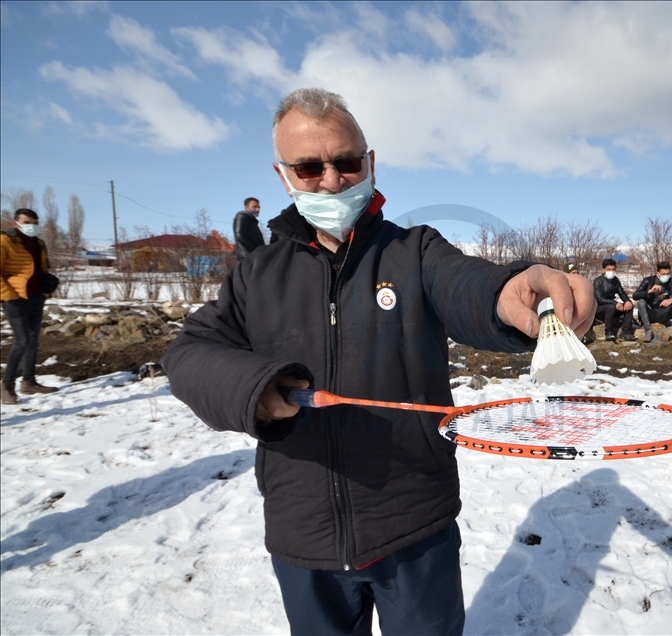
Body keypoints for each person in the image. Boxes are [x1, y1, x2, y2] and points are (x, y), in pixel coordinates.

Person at [161, 87, 596, 635]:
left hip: (414, 525)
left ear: (368, 164)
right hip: (304, 534)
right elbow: (189, 353)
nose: (330, 179)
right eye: (308, 166)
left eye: (345, 162)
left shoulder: (415, 250)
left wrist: (507, 292)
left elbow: (465, 285)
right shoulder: (257, 274)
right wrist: (256, 389)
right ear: (282, 175)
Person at [1, 209, 59, 404]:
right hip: (15, 299)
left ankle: (28, 382)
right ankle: (6, 385)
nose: (31, 225)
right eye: (27, 221)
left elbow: (43, 270)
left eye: (34, 222)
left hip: (36, 297)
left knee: (33, 340)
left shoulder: (38, 243)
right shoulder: (5, 241)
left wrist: (46, 291)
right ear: (15, 222)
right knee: (22, 340)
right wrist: (9, 296)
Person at [632, 260, 672, 348]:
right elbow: (635, 295)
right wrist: (650, 291)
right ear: (657, 273)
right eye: (663, 274)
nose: (666, 276)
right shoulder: (648, 281)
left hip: (665, 313)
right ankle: (649, 331)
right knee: (641, 301)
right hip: (651, 313)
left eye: (668, 274)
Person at [592, 257, 635, 342]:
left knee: (629, 306)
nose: (611, 271)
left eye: (613, 269)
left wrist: (627, 301)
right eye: (609, 269)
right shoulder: (598, 281)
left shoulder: (615, 280)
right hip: (598, 309)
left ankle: (625, 332)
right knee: (610, 307)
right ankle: (609, 332)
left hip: (612, 307)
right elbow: (598, 298)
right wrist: (615, 303)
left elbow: (621, 293)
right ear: (603, 270)